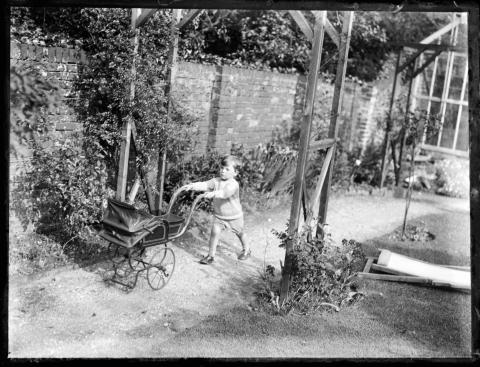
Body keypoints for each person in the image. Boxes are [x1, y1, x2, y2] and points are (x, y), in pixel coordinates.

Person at [183, 155, 251, 265]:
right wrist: (192, 186)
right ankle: (211, 256)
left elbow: (224, 193)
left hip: (234, 216)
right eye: (222, 168)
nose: (223, 171)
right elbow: (205, 185)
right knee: (214, 233)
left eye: (227, 169)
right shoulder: (216, 181)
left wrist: (212, 194)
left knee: (240, 233)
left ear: (235, 173)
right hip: (220, 216)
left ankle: (246, 250)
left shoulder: (233, 184)